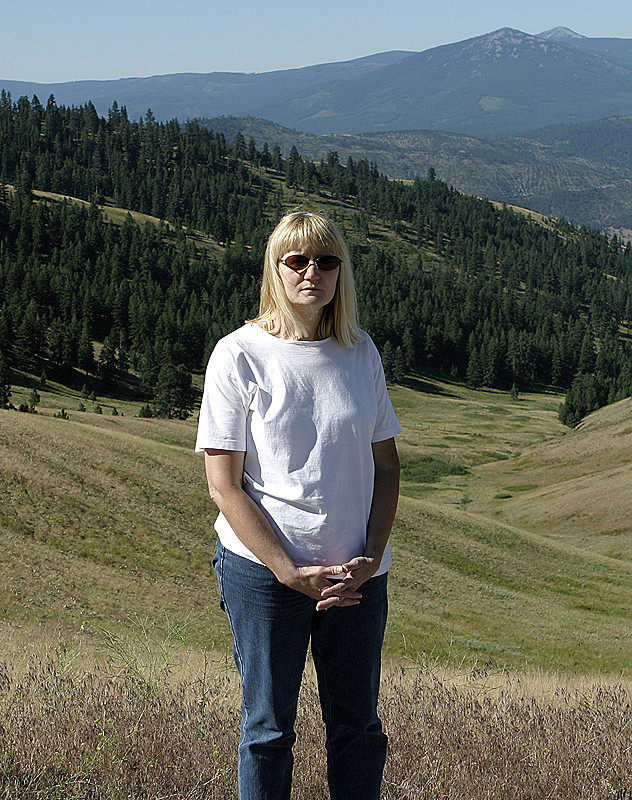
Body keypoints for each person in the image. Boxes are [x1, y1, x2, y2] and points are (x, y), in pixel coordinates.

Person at [195, 210, 401, 800]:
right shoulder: (238, 355)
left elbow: (387, 466)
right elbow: (223, 485)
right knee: (267, 730)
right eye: (297, 260)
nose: (312, 272)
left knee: (357, 728)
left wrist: (371, 556)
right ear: (276, 268)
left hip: (356, 577)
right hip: (266, 576)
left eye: (327, 261)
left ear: (341, 273)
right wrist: (288, 571)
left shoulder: (360, 353)